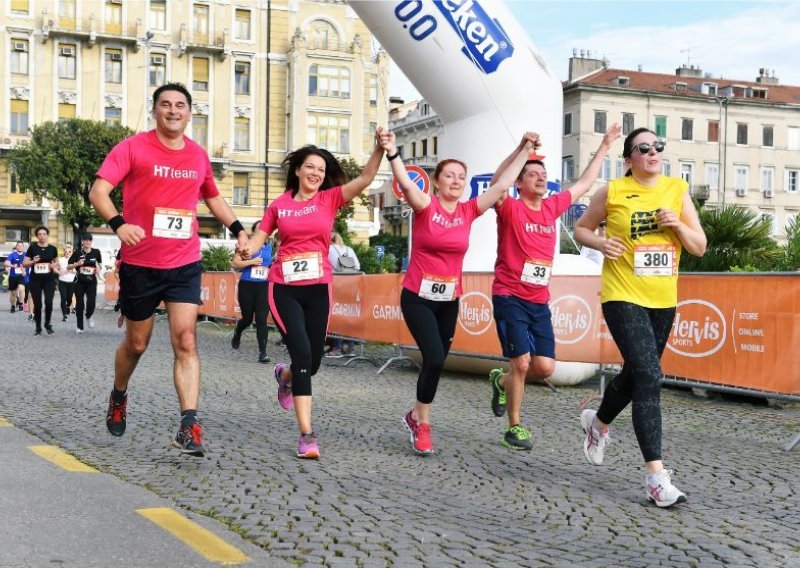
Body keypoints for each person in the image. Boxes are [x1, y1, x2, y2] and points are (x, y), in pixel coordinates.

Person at [89, 82, 249, 458]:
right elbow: (99, 190)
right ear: (155, 111)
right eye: (166, 104)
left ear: (190, 113)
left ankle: (188, 424)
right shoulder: (133, 147)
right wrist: (118, 224)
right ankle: (119, 394)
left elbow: (212, 197)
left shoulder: (197, 155)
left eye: (180, 105)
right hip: (141, 265)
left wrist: (240, 231)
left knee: (186, 341)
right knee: (137, 344)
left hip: (184, 264)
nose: (173, 110)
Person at [573, 127, 707, 508]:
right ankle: (656, 477)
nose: (653, 152)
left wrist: (677, 225)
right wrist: (600, 241)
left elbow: (699, 247)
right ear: (629, 158)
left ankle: (597, 424)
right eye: (643, 148)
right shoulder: (612, 192)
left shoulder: (676, 190)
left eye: (657, 147)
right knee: (650, 376)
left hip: (662, 299)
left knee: (636, 373)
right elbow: (582, 228)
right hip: (622, 294)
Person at [383, 130, 538, 455]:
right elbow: (407, 184)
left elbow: (501, 185)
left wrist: (525, 150)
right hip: (417, 297)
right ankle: (422, 424)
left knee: (436, 363)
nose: (455, 181)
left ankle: (414, 415)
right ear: (437, 182)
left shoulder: (468, 211)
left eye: (461, 177)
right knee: (435, 356)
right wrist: (393, 153)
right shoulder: (426, 206)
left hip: (449, 300)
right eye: (449, 176)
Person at [242, 128, 387, 459]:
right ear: (297, 170)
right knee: (304, 355)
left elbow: (365, 178)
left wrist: (378, 149)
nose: (316, 173)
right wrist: (244, 250)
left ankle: (286, 376)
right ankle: (307, 435)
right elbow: (258, 239)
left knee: (313, 361)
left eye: (321, 170)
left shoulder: (330, 198)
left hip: (319, 287)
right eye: (310, 167)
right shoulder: (279, 206)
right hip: (284, 288)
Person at [487, 124, 622, 451]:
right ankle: (515, 427)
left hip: (538, 300)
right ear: (519, 182)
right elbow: (496, 183)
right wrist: (522, 149)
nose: (540, 177)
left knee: (544, 367)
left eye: (542, 173)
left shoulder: (551, 208)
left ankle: (501, 382)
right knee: (521, 361)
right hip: (508, 295)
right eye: (532, 174)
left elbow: (585, 183)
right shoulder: (509, 207)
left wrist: (604, 145)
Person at [230, 222, 272, 364]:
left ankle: (263, 353)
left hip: (263, 286)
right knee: (247, 318)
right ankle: (238, 331)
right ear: (254, 233)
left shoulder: (271, 246)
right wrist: (251, 262)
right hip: (247, 285)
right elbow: (234, 264)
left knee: (261, 318)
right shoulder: (246, 246)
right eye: (260, 230)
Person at [325, 232, 360, 358]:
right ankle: (350, 347)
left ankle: (337, 347)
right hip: (352, 285)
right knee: (347, 316)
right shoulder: (348, 249)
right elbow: (358, 265)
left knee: (337, 316)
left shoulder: (328, 249)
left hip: (338, 285)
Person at [22, 226, 60, 336]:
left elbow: (57, 261)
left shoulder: (52, 249)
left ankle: (47, 324)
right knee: (37, 304)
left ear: (47, 235)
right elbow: (24, 263)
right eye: (40, 234)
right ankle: (38, 327)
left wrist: (54, 264)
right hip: (35, 280)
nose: (42, 236)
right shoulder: (32, 248)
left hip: (49, 279)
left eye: (44, 234)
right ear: (37, 236)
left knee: (49, 302)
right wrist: (33, 261)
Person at [69, 233, 102, 334]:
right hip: (79, 281)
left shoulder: (96, 252)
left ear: (91, 242)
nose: (88, 242)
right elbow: (68, 266)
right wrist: (77, 264)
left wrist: (98, 269)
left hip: (91, 281)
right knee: (80, 303)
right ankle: (80, 326)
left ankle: (89, 315)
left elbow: (99, 265)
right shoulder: (77, 253)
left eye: (90, 240)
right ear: (82, 241)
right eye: (86, 240)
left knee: (91, 301)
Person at [4, 241, 26, 313]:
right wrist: (12, 265)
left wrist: (25, 270)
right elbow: (6, 263)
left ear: (23, 247)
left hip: (21, 276)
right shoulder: (12, 255)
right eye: (18, 246)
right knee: (13, 293)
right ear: (16, 247)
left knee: (22, 289)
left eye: (21, 246)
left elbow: (30, 263)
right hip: (13, 276)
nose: (20, 247)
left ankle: (20, 303)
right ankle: (13, 306)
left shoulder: (26, 255)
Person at [57, 244, 76, 322]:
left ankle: (68, 306)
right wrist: (59, 272)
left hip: (71, 282)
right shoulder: (60, 260)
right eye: (66, 251)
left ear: (71, 252)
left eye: (69, 251)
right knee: (63, 298)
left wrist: (72, 270)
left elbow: (78, 270)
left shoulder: (75, 260)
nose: (67, 253)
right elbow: (55, 268)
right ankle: (64, 315)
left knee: (69, 299)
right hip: (62, 281)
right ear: (64, 252)